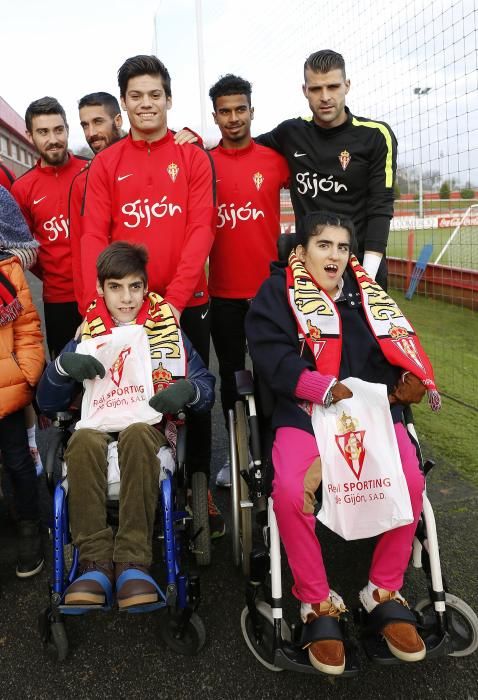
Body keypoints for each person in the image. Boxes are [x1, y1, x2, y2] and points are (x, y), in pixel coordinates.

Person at [245, 211, 440, 675]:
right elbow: (269, 355)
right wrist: (319, 387)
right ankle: (316, 601)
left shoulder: (368, 297)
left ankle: (382, 591)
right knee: (290, 491)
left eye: (342, 247)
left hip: (369, 412)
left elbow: (390, 351)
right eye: (324, 245)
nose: (335, 256)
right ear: (302, 251)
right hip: (305, 411)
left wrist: (404, 380)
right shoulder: (277, 293)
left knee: (411, 480)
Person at [79, 55, 223, 537]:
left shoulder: (191, 156)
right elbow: (92, 237)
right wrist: (94, 308)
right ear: (124, 102)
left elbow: (201, 230)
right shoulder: (106, 163)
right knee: (125, 393)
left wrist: (174, 304)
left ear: (168, 98)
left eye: (154, 94)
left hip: (185, 302)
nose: (146, 104)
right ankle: (125, 482)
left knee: (189, 394)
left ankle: (196, 481)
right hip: (123, 305)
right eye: (135, 96)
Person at [37, 241, 215, 608]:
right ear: (101, 290)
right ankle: (95, 561)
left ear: (146, 288)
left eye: (135, 287)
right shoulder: (86, 336)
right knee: (83, 439)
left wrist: (187, 390)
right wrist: (60, 368)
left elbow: (205, 387)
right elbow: (47, 402)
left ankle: (134, 560)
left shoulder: (167, 331)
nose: (127, 298)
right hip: (96, 431)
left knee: (136, 434)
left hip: (149, 432)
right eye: (115, 287)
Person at [256, 50, 397, 289]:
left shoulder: (376, 135)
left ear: (347, 86)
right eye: (315, 89)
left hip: (360, 267)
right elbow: (243, 147)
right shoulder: (291, 132)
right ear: (305, 91)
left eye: (333, 87)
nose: (325, 97)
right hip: (308, 270)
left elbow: (380, 207)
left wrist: (368, 278)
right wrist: (197, 141)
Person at [207, 74, 289, 487]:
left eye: (241, 109)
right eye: (225, 111)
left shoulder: (275, 160)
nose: (234, 117)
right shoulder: (203, 163)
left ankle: (273, 453)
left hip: (270, 293)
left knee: (273, 376)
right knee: (231, 380)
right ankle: (237, 457)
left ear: (252, 111)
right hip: (222, 295)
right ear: (215, 115)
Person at [11, 97, 87, 358]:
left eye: (58, 129)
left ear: (67, 128)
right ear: (29, 136)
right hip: (59, 298)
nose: (53, 139)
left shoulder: (92, 170)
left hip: (104, 293)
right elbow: (22, 246)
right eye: (43, 132)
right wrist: (53, 272)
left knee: (112, 377)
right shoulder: (22, 189)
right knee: (66, 378)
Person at [0, 185, 45, 578]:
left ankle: (29, 526)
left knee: (17, 461)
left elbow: (29, 330)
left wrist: (25, 376)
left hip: (5, 390)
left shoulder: (7, 269)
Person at [69, 92, 124, 313]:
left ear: (118, 121)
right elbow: (79, 252)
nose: (91, 133)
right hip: (105, 302)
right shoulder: (82, 181)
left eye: (98, 122)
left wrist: (191, 138)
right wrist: (89, 308)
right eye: (85, 125)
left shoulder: (146, 163)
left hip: (153, 295)